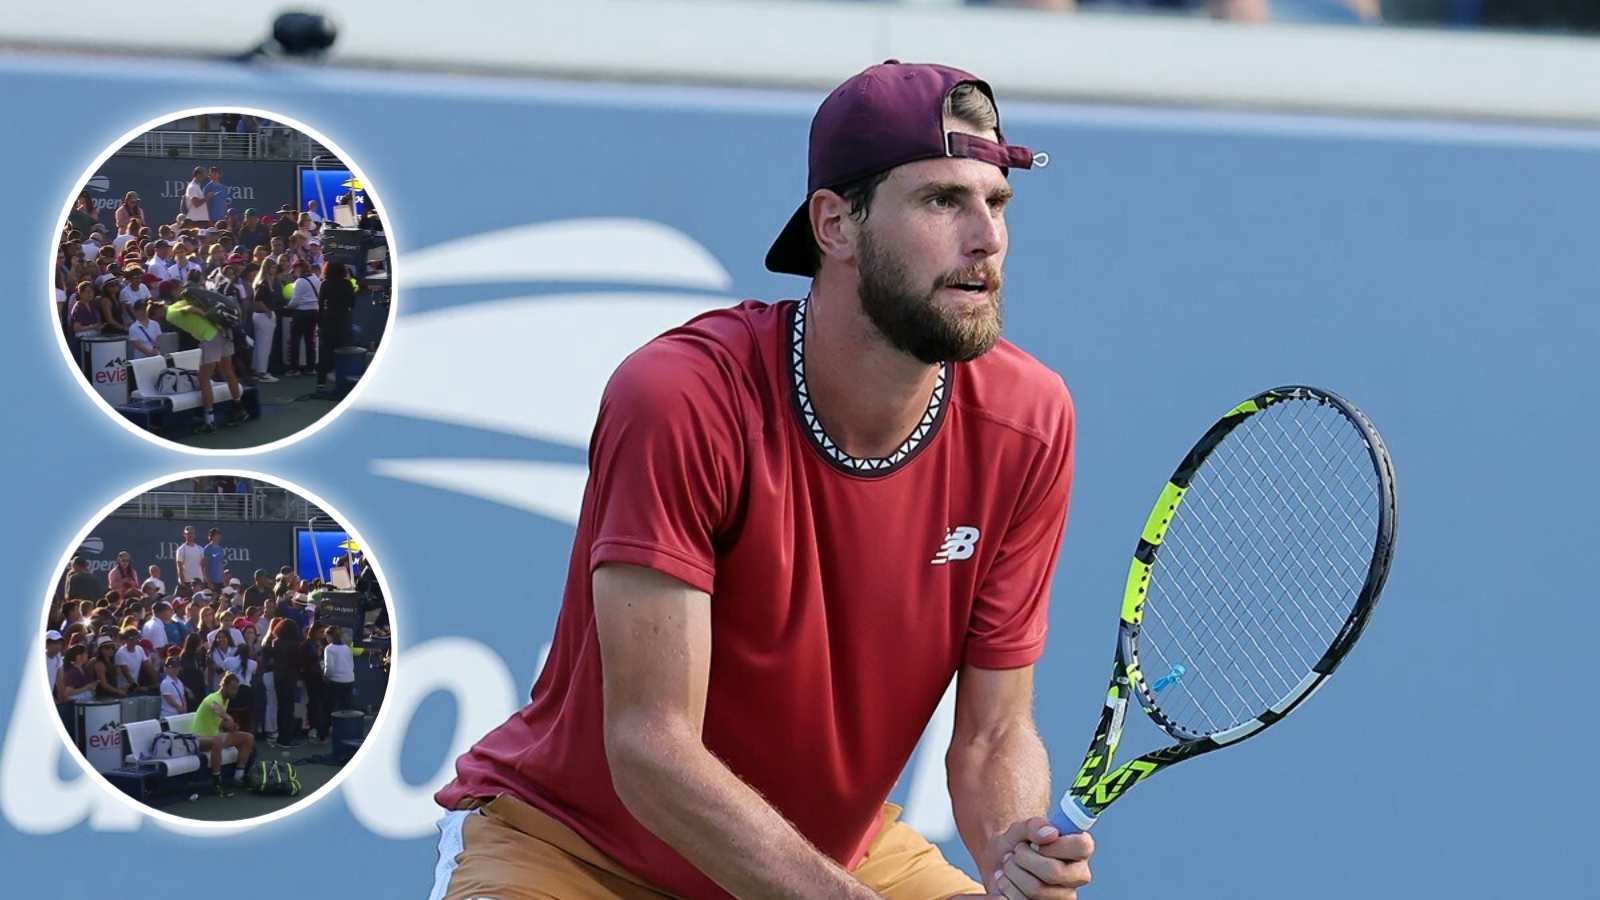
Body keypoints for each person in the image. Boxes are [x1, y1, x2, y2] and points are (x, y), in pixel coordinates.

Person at [430, 61, 1089, 900]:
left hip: (825, 855)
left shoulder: (1028, 422)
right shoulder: (681, 398)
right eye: (940, 201)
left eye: (996, 202)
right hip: (578, 853)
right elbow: (649, 746)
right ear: (835, 224)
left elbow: (996, 737)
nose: (986, 238)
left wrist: (1008, 847)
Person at [190, 672, 255, 797]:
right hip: (199, 739)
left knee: (248, 738)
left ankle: (238, 776)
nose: (235, 692)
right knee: (217, 741)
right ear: (224, 686)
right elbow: (215, 708)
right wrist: (228, 718)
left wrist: (230, 727)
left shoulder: (226, 701)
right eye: (232, 689)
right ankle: (217, 781)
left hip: (214, 736)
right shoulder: (214, 698)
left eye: (236, 689)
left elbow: (218, 724)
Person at [316, 259, 356, 385]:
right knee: (343, 350)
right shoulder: (348, 284)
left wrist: (320, 324)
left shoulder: (325, 284)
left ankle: (321, 381)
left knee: (325, 351)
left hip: (328, 320)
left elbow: (320, 305)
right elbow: (352, 303)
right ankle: (342, 378)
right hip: (343, 320)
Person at [266, 617, 302, 747]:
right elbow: (298, 663)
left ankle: (282, 737)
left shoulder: (276, 642)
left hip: (278, 677)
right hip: (290, 678)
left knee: (282, 708)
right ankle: (287, 738)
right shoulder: (295, 645)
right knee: (288, 709)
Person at [285, 259, 321, 376]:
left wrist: (286, 306)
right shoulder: (316, 278)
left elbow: (295, 302)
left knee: (295, 341)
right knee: (310, 341)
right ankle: (311, 368)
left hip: (301, 313)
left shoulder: (300, 281)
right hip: (314, 312)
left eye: (295, 269)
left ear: (299, 268)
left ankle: (294, 369)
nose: (294, 272)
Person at [322, 625, 356, 713]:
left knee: (334, 708)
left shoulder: (329, 649)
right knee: (347, 707)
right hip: (349, 679)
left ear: (330, 636)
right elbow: (351, 665)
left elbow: (330, 668)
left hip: (335, 682)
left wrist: (325, 677)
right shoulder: (347, 648)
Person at [113, 627, 154, 693]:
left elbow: (148, 666)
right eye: (131, 639)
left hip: (134, 687)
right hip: (123, 689)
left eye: (136, 638)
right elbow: (126, 674)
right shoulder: (120, 653)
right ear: (125, 640)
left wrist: (157, 683)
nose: (135, 640)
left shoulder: (139, 649)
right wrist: (136, 687)